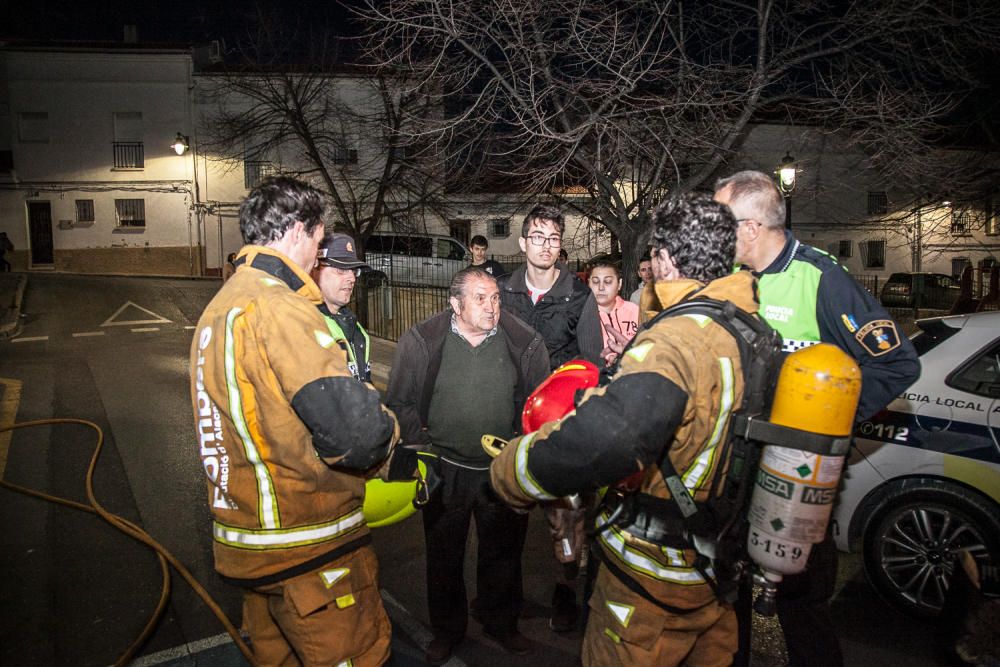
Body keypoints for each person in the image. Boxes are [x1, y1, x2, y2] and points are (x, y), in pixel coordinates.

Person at [491, 193, 759, 666]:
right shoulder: (754, 334)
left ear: (667, 260)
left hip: (652, 577)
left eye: (654, 258)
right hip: (719, 570)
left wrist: (513, 470)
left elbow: (607, 442)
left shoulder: (673, 342)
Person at [189, 177, 400, 667]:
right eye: (320, 242)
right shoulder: (281, 307)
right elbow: (356, 434)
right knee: (359, 654)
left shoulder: (219, 309)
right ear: (297, 233)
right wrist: (397, 445)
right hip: (309, 546)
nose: (319, 256)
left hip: (248, 544)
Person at [713, 170, 921, 667]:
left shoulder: (822, 278)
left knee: (801, 608)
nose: (716, 234)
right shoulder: (735, 283)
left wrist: (824, 421)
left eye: (722, 223)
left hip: (799, 476)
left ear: (751, 227)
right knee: (730, 597)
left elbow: (896, 363)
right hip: (738, 470)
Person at [386, 267, 550, 664]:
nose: (492, 307)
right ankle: (447, 631)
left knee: (504, 553)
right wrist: (422, 448)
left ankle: (500, 622)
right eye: (481, 298)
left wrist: (521, 452)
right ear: (455, 303)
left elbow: (537, 405)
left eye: (495, 297)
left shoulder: (523, 342)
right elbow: (401, 401)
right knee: (443, 556)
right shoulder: (422, 341)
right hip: (444, 467)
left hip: (499, 470)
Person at [496, 203, 603, 632]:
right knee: (506, 515)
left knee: (566, 520)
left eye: (553, 238)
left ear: (561, 246)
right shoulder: (502, 290)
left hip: (557, 425)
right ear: (523, 243)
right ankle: (505, 601)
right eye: (537, 237)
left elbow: (591, 362)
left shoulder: (579, 296)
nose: (545, 245)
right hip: (507, 419)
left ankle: (565, 590)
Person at [312, 232, 372, 383]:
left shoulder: (358, 331)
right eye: (341, 270)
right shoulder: (305, 328)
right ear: (315, 270)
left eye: (353, 271)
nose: (352, 278)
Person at [588, 261, 639, 366]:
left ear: (619, 284)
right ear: (588, 284)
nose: (601, 287)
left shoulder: (635, 310)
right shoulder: (581, 316)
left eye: (608, 281)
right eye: (595, 282)